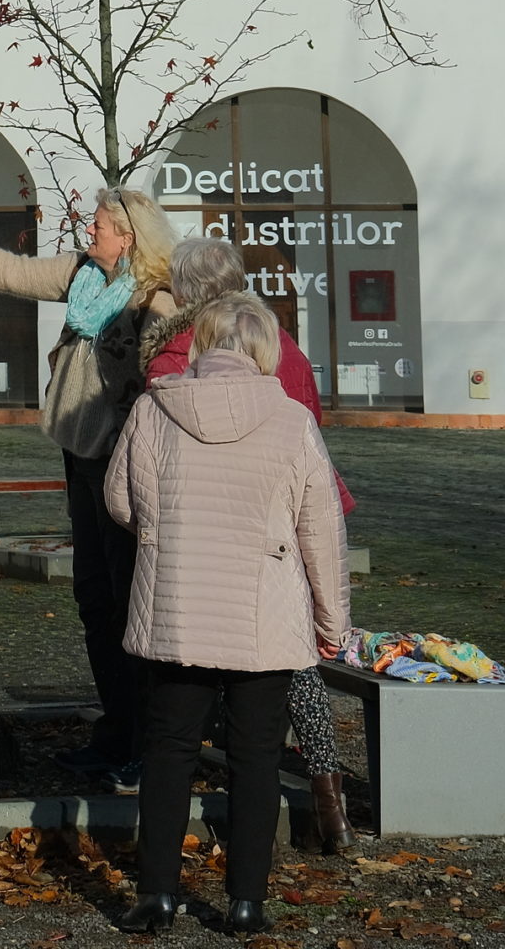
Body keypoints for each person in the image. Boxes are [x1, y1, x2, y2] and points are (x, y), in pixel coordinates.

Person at [0, 185, 176, 791]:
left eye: (100, 225)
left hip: (126, 466)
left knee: (130, 601)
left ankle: (143, 745)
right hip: (80, 460)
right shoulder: (83, 275)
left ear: (128, 236)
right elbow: (12, 271)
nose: (90, 231)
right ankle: (115, 731)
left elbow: (170, 378)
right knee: (95, 600)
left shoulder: (155, 300)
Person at [107, 291, 349, 938]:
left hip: (176, 607)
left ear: (204, 343)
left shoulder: (154, 410)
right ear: (265, 348)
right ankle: (246, 902)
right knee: (255, 757)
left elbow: (119, 502)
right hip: (262, 614)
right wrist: (332, 625)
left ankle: (156, 894)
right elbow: (321, 532)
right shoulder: (293, 421)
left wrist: (169, 531)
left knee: (168, 753)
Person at [141, 237, 357, 855]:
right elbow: (310, 426)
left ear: (185, 292)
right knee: (298, 666)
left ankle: (166, 862)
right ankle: (327, 798)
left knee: (210, 680)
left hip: (216, 532)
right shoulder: (281, 344)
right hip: (288, 518)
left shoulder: (180, 356)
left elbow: (146, 473)